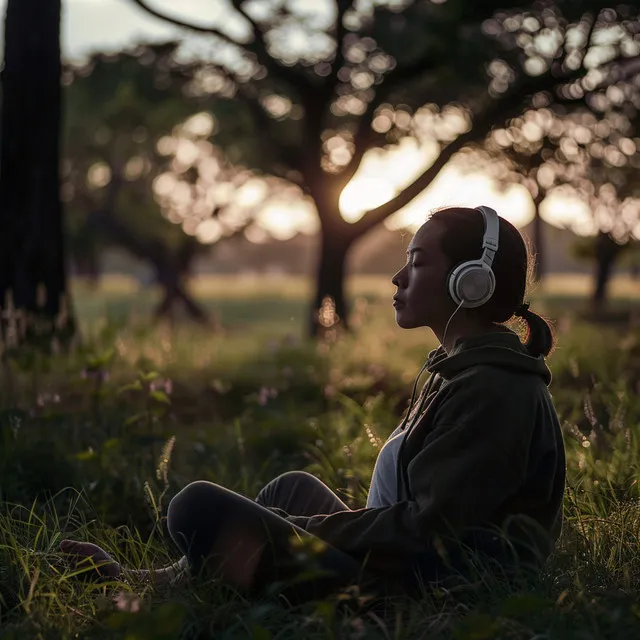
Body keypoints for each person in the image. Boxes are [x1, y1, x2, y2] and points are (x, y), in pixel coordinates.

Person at [60, 205, 566, 602]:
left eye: (417, 262)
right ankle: (157, 584)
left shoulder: (493, 389)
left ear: (470, 283)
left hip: (417, 593)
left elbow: (428, 532)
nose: (397, 278)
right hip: (398, 568)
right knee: (291, 488)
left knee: (195, 505)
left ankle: (153, 586)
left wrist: (305, 532)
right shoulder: (457, 372)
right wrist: (304, 528)